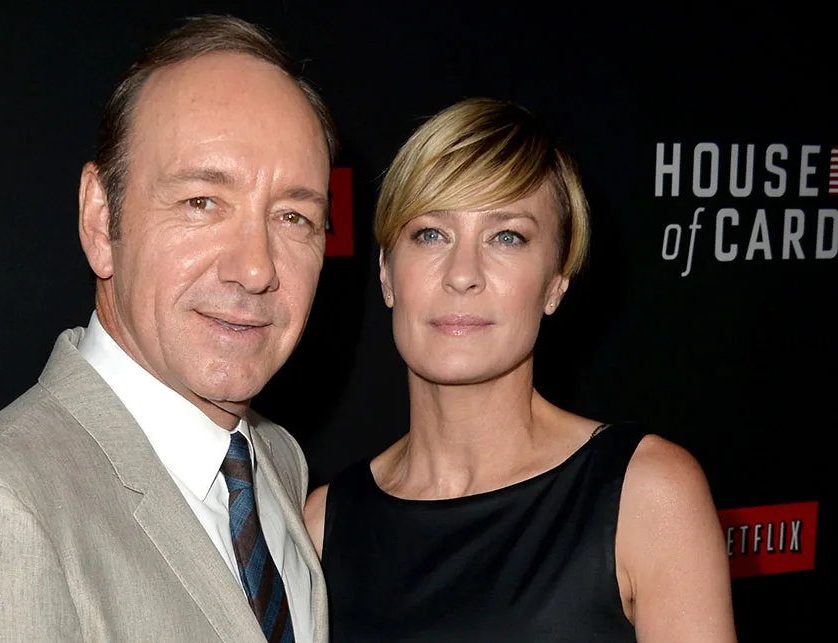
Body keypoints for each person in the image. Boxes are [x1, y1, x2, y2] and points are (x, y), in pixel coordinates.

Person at [0, 15, 337, 643]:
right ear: (99, 219)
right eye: (201, 202)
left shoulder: (277, 462)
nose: (255, 268)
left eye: (294, 216)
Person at [304, 98, 736, 642]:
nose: (463, 275)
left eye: (506, 237)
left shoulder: (645, 493)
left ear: (557, 281)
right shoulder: (324, 525)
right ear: (388, 272)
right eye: (431, 234)